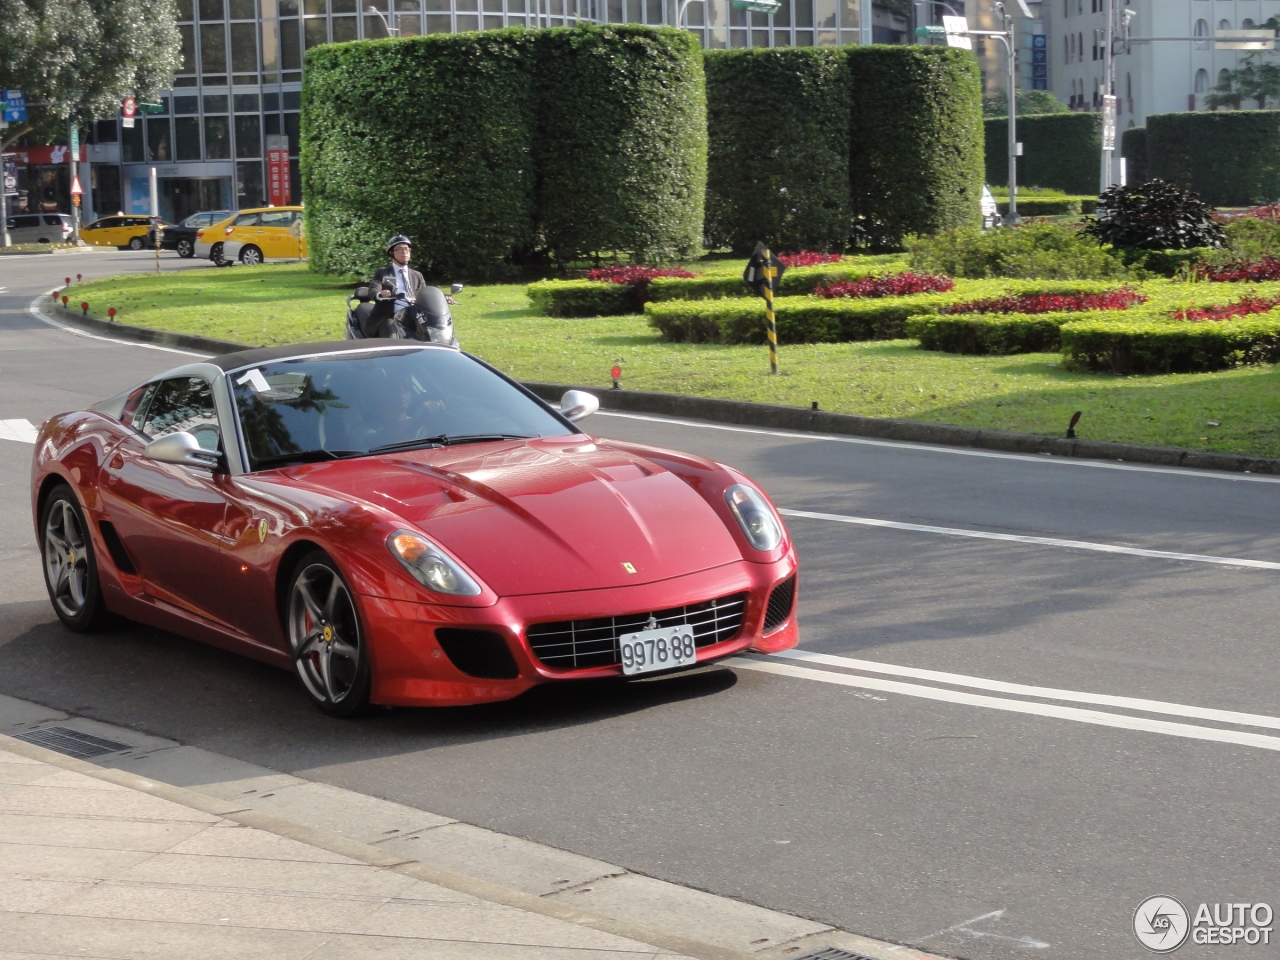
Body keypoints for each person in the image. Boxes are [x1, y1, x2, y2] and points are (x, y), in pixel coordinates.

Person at [362, 235, 430, 338]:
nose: (404, 252)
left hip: (413, 315)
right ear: (391, 253)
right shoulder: (383, 273)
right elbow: (373, 289)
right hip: (390, 317)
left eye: (407, 249)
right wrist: (380, 293)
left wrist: (442, 297)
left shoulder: (417, 276)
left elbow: (426, 293)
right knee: (392, 339)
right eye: (400, 249)